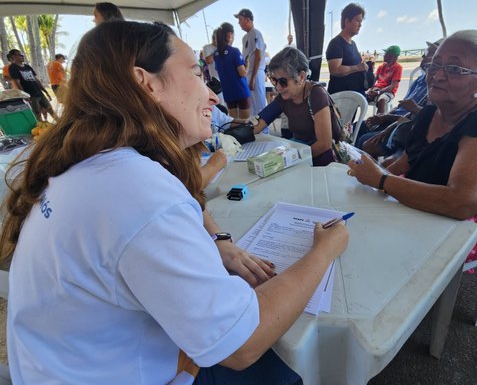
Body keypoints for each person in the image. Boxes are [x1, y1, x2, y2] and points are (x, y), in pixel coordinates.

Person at [0, 20, 348, 384]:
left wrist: (217, 242)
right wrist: (323, 252)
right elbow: (242, 344)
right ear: (145, 82)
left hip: (64, 368)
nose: (213, 96)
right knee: (287, 368)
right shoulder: (137, 190)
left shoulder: (90, 167)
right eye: (198, 75)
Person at [347, 30, 477, 264]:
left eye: (454, 69)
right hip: (426, 198)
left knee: (372, 244)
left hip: (470, 225)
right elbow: (406, 163)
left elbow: (462, 203)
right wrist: (371, 174)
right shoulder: (431, 113)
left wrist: (381, 181)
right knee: (355, 220)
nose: (437, 76)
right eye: (435, 65)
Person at [252, 47, 341, 166]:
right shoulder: (284, 97)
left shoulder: (316, 95)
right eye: (274, 80)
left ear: (301, 77)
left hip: (322, 159)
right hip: (301, 152)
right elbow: (258, 123)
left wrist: (292, 159)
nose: (278, 87)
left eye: (283, 82)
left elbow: (324, 144)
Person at [356, 39, 442, 159]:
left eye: (429, 55)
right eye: (425, 55)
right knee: (359, 127)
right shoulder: (420, 80)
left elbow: (415, 119)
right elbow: (401, 106)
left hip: (405, 127)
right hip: (395, 118)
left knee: (365, 142)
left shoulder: (436, 88)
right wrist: (383, 117)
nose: (423, 57)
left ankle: (365, 169)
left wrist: (386, 120)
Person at [325, 3, 368, 95]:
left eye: (361, 22)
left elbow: (358, 66)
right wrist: (357, 68)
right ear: (347, 21)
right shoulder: (336, 43)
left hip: (354, 96)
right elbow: (335, 70)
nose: (360, 25)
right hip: (341, 98)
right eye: (357, 21)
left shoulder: (353, 44)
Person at [8, 49, 59, 121]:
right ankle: (42, 129)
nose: (22, 56)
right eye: (19, 54)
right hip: (31, 96)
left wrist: (45, 92)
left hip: (39, 93)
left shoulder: (27, 66)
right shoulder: (13, 67)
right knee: (37, 114)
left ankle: (60, 124)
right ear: (13, 56)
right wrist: (25, 96)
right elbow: (17, 83)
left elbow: (36, 80)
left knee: (50, 109)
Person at [214, 22, 251, 119]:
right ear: (229, 35)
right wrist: (247, 65)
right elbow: (242, 73)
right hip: (240, 90)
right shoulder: (234, 51)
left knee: (234, 122)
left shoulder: (216, 54)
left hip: (228, 92)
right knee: (245, 122)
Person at [235, 8, 267, 115]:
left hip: (256, 74)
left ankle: (264, 131)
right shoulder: (245, 37)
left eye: (240, 19)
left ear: (248, 20)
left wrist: (253, 78)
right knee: (252, 105)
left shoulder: (256, 33)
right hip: (248, 74)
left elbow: (258, 56)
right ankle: (256, 129)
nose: (238, 22)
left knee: (260, 104)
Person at [365, 45, 403, 113]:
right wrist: (371, 89)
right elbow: (374, 80)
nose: (384, 56)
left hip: (388, 92)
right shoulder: (381, 66)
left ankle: (378, 121)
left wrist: (378, 92)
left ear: (394, 57)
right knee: (362, 98)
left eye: (387, 54)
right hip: (377, 89)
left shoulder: (398, 68)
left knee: (382, 100)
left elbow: (392, 86)